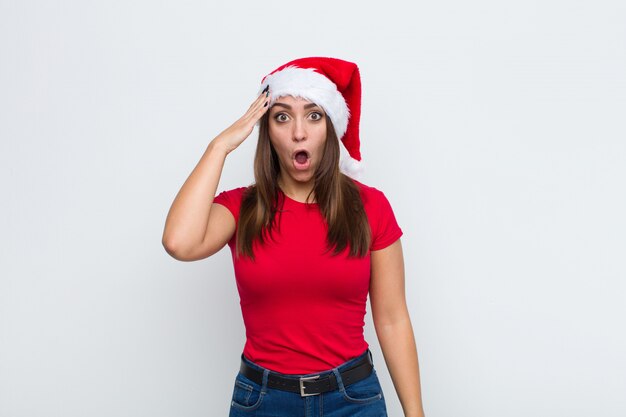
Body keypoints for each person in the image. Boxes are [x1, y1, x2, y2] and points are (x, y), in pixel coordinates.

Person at [162, 57, 425, 417]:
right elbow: (179, 242)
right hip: (263, 401)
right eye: (282, 117)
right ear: (267, 130)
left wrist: (416, 414)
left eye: (314, 115)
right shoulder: (241, 208)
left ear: (331, 127)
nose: (299, 133)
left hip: (352, 399)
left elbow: (393, 318)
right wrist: (219, 146)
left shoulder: (370, 207)